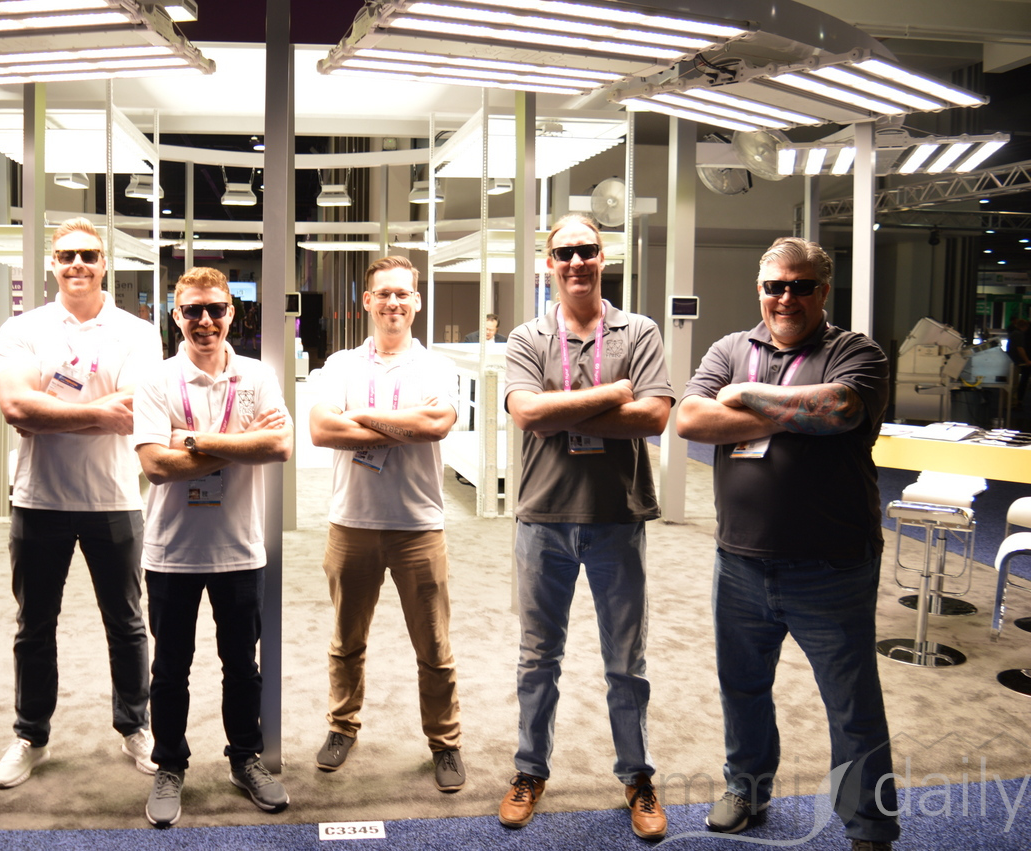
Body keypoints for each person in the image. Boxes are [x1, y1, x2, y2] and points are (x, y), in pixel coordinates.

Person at [675, 237, 897, 851]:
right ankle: (746, 789)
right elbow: (689, 419)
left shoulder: (856, 352)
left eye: (800, 286)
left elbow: (841, 408)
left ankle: (869, 825)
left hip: (832, 566)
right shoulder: (729, 348)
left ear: (823, 291)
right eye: (775, 286)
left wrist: (742, 395)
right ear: (760, 290)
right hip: (740, 562)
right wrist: (798, 415)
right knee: (743, 688)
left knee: (851, 705)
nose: (786, 298)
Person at [498, 214, 673, 840]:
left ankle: (637, 778)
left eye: (587, 250)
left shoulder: (639, 330)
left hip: (617, 519)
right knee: (537, 658)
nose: (576, 261)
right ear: (549, 263)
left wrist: (564, 410)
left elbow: (653, 418)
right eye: (564, 252)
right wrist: (615, 392)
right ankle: (529, 770)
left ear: (604, 257)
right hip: (542, 519)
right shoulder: (527, 336)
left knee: (626, 662)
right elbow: (528, 413)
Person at [0, 217, 162, 788]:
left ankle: (136, 726)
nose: (77, 264)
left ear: (105, 262)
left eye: (88, 254)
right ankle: (31, 735)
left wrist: (50, 415)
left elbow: (135, 411)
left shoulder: (137, 332)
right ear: (53, 264)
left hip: (114, 498)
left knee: (127, 623)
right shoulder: (24, 328)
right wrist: (96, 413)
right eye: (66, 256)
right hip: (38, 500)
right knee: (34, 625)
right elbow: (16, 407)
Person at [132, 267, 293, 827]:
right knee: (170, 669)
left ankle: (245, 759)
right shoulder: (157, 380)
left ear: (232, 313)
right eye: (193, 310)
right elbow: (156, 466)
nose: (205, 320)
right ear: (176, 315)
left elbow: (279, 447)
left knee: (242, 667)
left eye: (216, 309)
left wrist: (195, 440)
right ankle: (169, 766)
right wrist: (244, 443)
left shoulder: (257, 376)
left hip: (239, 549)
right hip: (171, 551)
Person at [309, 255, 466, 792]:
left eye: (403, 293)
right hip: (351, 523)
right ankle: (341, 727)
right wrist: (404, 427)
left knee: (434, 646)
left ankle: (445, 742)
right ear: (367, 302)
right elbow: (322, 431)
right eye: (384, 294)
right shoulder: (340, 365)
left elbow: (437, 425)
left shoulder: (436, 366)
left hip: (418, 526)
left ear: (416, 301)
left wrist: (358, 418)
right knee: (346, 641)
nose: (393, 302)